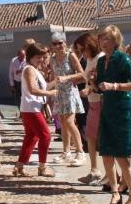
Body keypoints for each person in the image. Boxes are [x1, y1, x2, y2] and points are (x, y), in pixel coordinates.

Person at [95, 25, 131, 204]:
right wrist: (91, 87)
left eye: (106, 38)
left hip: (123, 110)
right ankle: (115, 193)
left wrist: (115, 86)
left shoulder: (123, 59)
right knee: (107, 154)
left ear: (115, 40)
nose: (102, 42)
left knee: (123, 158)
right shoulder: (101, 62)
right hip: (108, 110)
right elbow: (101, 85)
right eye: (101, 39)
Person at [14, 43, 58, 177]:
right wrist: (50, 94)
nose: (42, 59)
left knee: (31, 137)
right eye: (38, 57)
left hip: (31, 108)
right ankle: (42, 167)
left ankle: (19, 167)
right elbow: (33, 89)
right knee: (45, 136)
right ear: (31, 57)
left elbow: (42, 87)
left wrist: (56, 81)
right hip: (31, 108)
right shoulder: (29, 70)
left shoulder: (34, 69)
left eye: (43, 57)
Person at [72, 33, 106, 184]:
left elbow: (99, 82)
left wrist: (88, 90)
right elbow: (88, 78)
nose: (82, 53)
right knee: (91, 137)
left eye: (82, 49)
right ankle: (95, 170)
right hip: (93, 103)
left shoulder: (100, 58)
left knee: (101, 139)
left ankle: (110, 174)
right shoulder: (91, 59)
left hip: (101, 102)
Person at [50, 32, 86, 166]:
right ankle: (66, 152)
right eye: (55, 43)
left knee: (70, 122)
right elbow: (53, 78)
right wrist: (46, 91)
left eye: (60, 42)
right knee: (63, 123)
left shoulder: (70, 56)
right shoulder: (52, 59)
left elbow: (83, 74)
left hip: (70, 92)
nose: (58, 46)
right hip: (59, 93)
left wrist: (68, 78)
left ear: (65, 43)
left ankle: (80, 152)